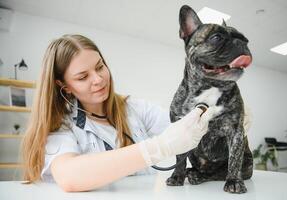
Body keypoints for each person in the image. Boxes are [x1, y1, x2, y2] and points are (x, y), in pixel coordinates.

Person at [21, 34, 241, 192]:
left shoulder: (134, 108)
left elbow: (184, 125)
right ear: (65, 85)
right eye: (82, 77)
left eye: (99, 67)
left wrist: (220, 115)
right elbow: (70, 177)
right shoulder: (61, 125)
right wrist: (157, 147)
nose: (98, 79)